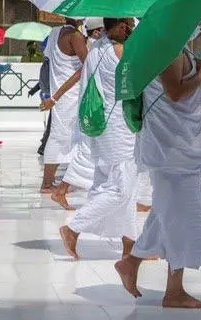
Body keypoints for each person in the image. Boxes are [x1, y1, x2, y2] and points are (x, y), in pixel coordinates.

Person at [115, 44, 201, 308]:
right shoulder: (169, 50)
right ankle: (174, 291)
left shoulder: (179, 48)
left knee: (166, 213)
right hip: (171, 150)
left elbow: (179, 91)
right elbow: (174, 93)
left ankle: (132, 262)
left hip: (177, 149)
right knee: (181, 219)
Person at [59, 18, 140, 260]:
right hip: (119, 126)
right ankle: (73, 228)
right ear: (121, 26)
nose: (132, 29)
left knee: (126, 186)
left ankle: (131, 246)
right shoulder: (120, 51)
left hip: (103, 124)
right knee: (121, 188)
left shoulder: (98, 47)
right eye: (129, 25)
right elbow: (136, 80)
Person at [52, 18, 105, 210]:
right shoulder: (96, 50)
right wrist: (55, 97)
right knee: (88, 149)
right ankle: (62, 190)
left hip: (99, 104)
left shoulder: (100, 48)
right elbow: (79, 75)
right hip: (97, 105)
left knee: (94, 150)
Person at [39, 19, 88, 192]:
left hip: (58, 90)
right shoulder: (75, 36)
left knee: (62, 136)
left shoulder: (54, 32)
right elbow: (87, 66)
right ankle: (47, 183)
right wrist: (56, 97)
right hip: (69, 94)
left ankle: (57, 180)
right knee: (60, 137)